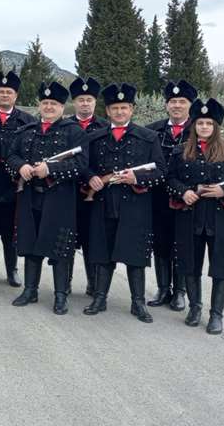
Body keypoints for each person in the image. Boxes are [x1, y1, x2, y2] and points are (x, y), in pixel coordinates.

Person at [82, 83, 165, 323]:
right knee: (103, 253)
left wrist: (136, 177)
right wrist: (91, 177)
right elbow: (84, 166)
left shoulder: (148, 137)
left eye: (124, 107)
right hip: (103, 203)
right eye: (115, 108)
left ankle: (138, 303)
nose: (119, 112)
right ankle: (99, 298)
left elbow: (161, 171)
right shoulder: (95, 137)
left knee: (135, 255)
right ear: (107, 111)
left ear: (132, 109)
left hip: (135, 205)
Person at [166, 98, 224, 334]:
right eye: (200, 123)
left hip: (221, 218)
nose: (204, 127)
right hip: (190, 216)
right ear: (194, 125)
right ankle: (195, 308)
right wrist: (184, 192)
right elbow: (169, 179)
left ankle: (216, 315)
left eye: (209, 123)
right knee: (189, 264)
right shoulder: (180, 151)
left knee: (222, 267)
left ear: (216, 126)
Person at [7, 82, 86, 315]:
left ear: (62, 106)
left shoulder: (74, 132)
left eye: (54, 103)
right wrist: (20, 166)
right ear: (39, 105)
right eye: (45, 103)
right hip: (30, 196)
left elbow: (81, 165)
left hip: (60, 200)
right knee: (31, 244)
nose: (49, 107)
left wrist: (51, 169)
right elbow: (11, 155)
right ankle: (30, 290)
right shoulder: (27, 131)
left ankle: (60, 295)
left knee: (59, 248)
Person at [146, 79, 198, 311]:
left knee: (182, 244)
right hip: (158, 197)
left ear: (190, 105)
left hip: (187, 198)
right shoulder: (153, 130)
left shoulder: (199, 129)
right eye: (173, 101)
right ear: (166, 105)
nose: (177, 105)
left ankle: (180, 292)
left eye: (182, 101)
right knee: (161, 243)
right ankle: (163, 289)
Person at [0, 70, 36, 287]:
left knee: (9, 232)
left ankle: (12, 270)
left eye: (9, 92)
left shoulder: (28, 121)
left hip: (13, 185)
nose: (5, 95)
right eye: (1, 91)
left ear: (16, 95)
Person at [67, 76, 108, 295]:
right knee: (68, 237)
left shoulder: (105, 127)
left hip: (96, 192)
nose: (85, 103)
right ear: (74, 102)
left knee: (93, 240)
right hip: (69, 190)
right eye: (81, 99)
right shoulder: (64, 126)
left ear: (95, 102)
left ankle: (93, 284)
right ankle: (65, 283)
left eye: (89, 99)